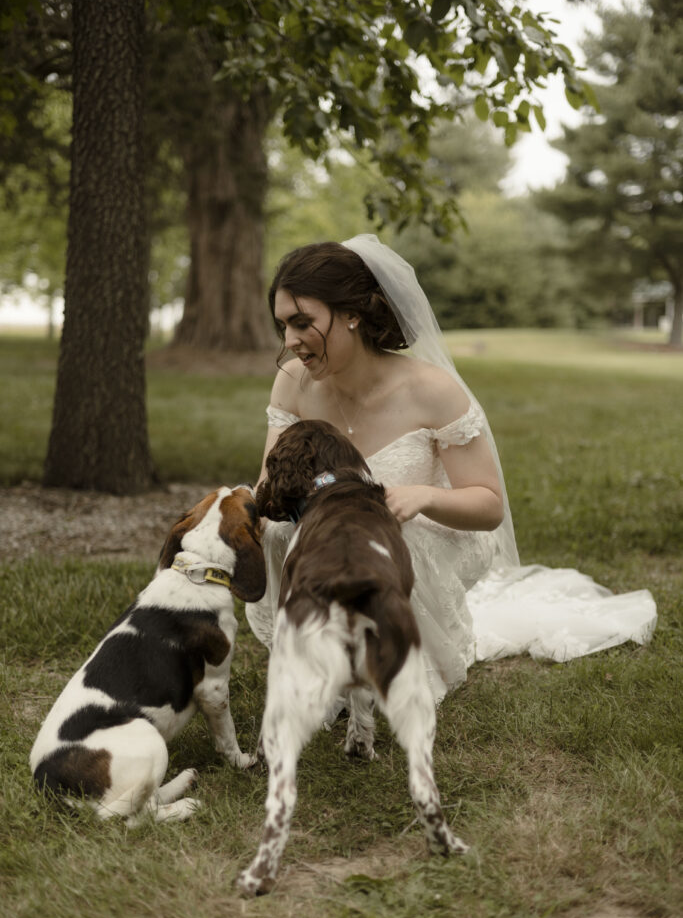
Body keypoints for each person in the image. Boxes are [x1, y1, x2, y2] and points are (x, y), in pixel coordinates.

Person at [245, 234, 657, 703]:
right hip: (332, 533)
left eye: (302, 323)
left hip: (429, 530)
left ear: (352, 314)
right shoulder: (293, 383)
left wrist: (425, 497)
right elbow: (268, 485)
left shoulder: (431, 390)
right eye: (283, 325)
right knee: (279, 532)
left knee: (389, 533)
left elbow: (488, 506)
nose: (290, 341)